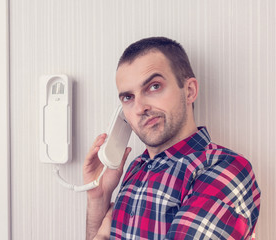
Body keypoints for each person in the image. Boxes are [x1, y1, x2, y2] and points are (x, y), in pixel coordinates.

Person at [83, 37, 261, 240]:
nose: (140, 108)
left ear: (190, 91)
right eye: (128, 97)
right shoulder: (135, 169)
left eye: (154, 86)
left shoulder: (226, 168)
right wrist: (99, 196)